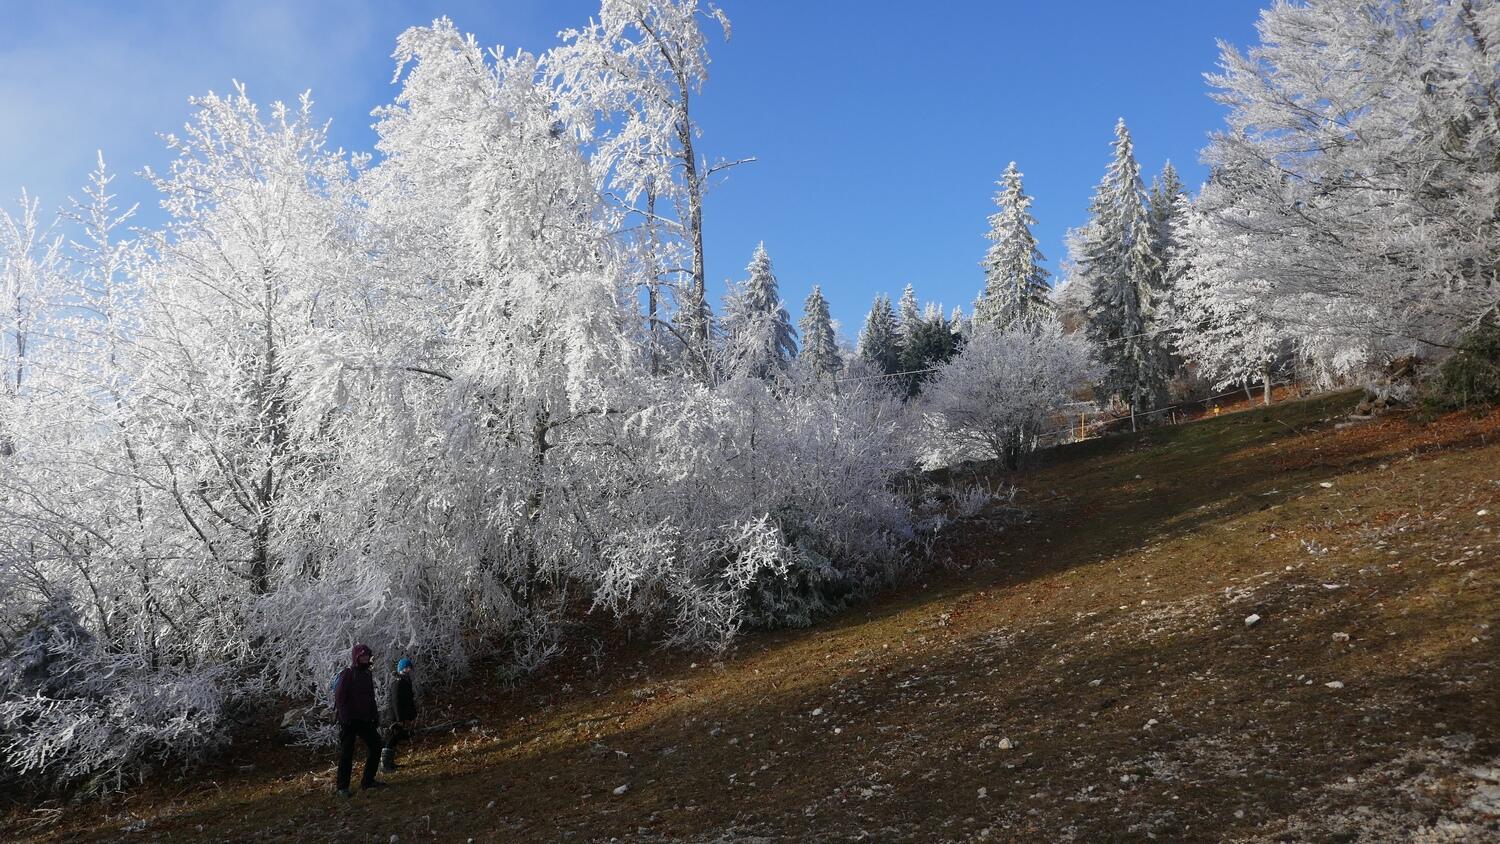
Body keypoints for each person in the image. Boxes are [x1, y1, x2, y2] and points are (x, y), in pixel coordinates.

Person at [333, 643, 385, 797]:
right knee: (346, 753)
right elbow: (340, 697)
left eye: (367, 655)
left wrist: (374, 715)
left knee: (376, 745)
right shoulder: (348, 674)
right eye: (362, 655)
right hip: (349, 720)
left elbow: (370, 697)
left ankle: (368, 780)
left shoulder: (367, 675)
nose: (365, 658)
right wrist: (345, 717)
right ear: (356, 657)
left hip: (364, 719)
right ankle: (342, 787)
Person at [381, 657, 418, 772]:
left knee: (396, 737)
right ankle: (385, 764)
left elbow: (409, 699)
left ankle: (390, 762)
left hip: (400, 714)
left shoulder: (405, 680)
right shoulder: (397, 681)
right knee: (392, 737)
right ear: (402, 668)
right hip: (395, 715)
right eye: (406, 667)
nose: (408, 669)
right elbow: (395, 701)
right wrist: (399, 719)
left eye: (409, 667)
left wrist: (412, 715)